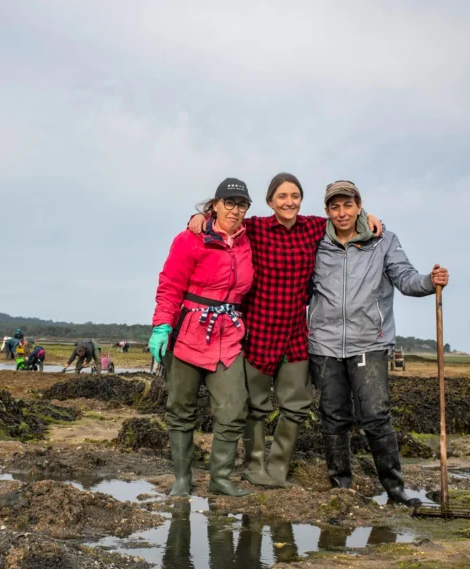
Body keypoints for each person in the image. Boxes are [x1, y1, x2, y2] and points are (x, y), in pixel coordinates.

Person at [187, 173, 383, 488]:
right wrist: (200, 216)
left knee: (296, 406)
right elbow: (223, 223)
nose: (289, 202)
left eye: (294, 196)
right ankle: (253, 467)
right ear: (270, 202)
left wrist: (368, 216)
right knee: (256, 407)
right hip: (260, 332)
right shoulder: (258, 229)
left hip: (295, 334)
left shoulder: (314, 228)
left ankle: (277, 469)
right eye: (282, 196)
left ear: (301, 200)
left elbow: (345, 220)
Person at [309, 181, 449, 505]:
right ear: (327, 210)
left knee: (375, 414)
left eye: (347, 205)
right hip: (323, 344)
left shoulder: (383, 240)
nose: (341, 212)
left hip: (369, 342)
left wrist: (430, 282)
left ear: (359, 205)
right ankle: (340, 488)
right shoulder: (315, 241)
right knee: (333, 416)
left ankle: (395, 490)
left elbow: (405, 279)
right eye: (334, 206)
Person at [150, 178, 255, 497]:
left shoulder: (251, 240)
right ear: (215, 205)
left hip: (229, 335)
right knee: (180, 408)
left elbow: (289, 219)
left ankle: (220, 478)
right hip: (189, 333)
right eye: (229, 203)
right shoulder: (190, 239)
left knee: (234, 408)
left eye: (242, 205)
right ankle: (182, 478)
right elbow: (170, 286)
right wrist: (162, 326)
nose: (235, 210)